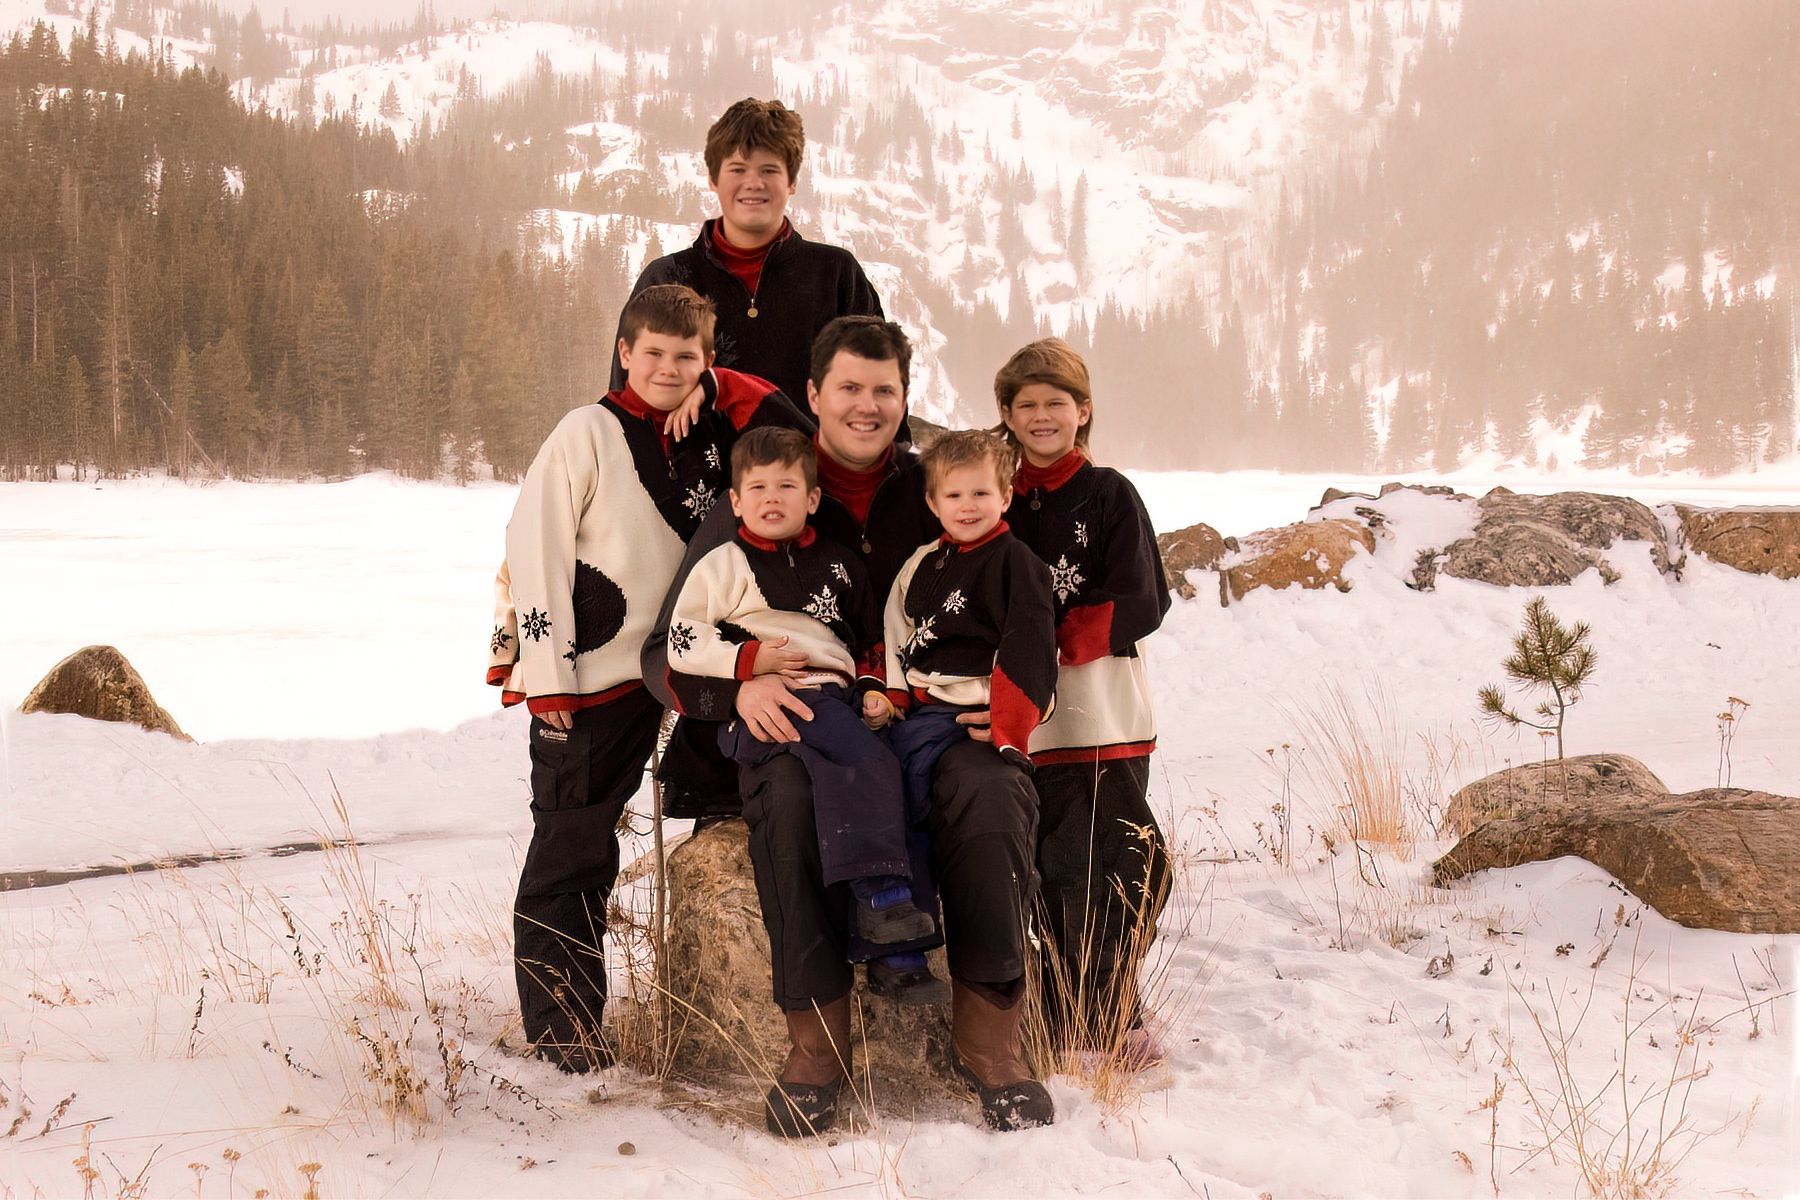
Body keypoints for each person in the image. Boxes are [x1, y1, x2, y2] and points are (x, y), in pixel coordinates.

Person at [644, 318, 1060, 1134]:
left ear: (905, 401)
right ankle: (817, 1042)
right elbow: (667, 649)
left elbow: (1027, 602)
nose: (866, 407)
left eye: (885, 391)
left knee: (988, 788)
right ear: (813, 395)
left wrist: (1016, 706)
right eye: (849, 389)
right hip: (795, 716)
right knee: (793, 794)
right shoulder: (766, 487)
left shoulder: (940, 486)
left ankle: (990, 1038)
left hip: (920, 716)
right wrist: (735, 697)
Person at [486, 284, 808, 1072]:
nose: (667, 368)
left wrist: (721, 390)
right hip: (593, 672)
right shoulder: (584, 432)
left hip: (692, 662)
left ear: (706, 363)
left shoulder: (710, 431)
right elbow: (536, 550)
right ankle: (564, 1035)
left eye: (687, 357)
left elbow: (799, 435)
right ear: (625, 352)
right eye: (653, 353)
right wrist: (548, 677)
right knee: (575, 844)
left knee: (728, 814)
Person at [662, 427, 950, 1025]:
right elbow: (682, 639)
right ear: (735, 501)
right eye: (757, 487)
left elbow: (870, 640)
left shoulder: (841, 565)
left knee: (885, 777)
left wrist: (872, 688)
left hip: (833, 702)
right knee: (871, 764)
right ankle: (881, 896)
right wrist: (747, 664)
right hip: (769, 703)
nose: (772, 497)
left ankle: (896, 954)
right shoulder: (724, 564)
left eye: (787, 486)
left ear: (812, 498)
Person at [996, 338, 1173, 1063]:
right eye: (1026, 405)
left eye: (1055, 404)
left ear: (1084, 410)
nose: (1042, 417)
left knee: (1120, 862)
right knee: (1048, 869)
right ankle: (1064, 1006)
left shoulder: (1108, 496)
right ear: (1006, 415)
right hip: (1024, 722)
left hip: (1101, 714)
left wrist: (1054, 637)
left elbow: (1144, 599)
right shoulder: (992, 496)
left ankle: (1111, 1008)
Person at [610, 98, 884, 411]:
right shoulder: (667, 277)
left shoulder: (835, 274)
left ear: (792, 181)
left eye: (769, 170)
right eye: (738, 169)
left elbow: (880, 385)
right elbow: (627, 401)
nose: (753, 183)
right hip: (693, 460)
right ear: (713, 179)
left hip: (810, 459)